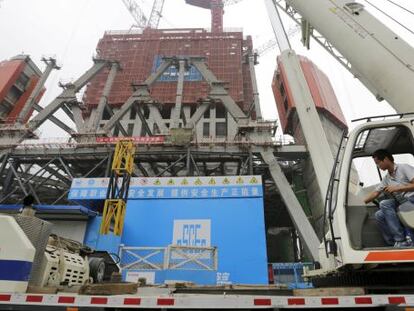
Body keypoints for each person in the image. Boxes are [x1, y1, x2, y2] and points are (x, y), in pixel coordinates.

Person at [364, 149, 414, 247]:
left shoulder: (404, 168)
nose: (378, 166)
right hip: (401, 203)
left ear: (386, 159)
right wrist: (360, 203)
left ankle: (401, 240)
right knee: (379, 214)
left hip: (412, 198)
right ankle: (392, 243)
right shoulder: (386, 179)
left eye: (378, 163)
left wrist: (398, 188)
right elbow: (375, 193)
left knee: (385, 203)